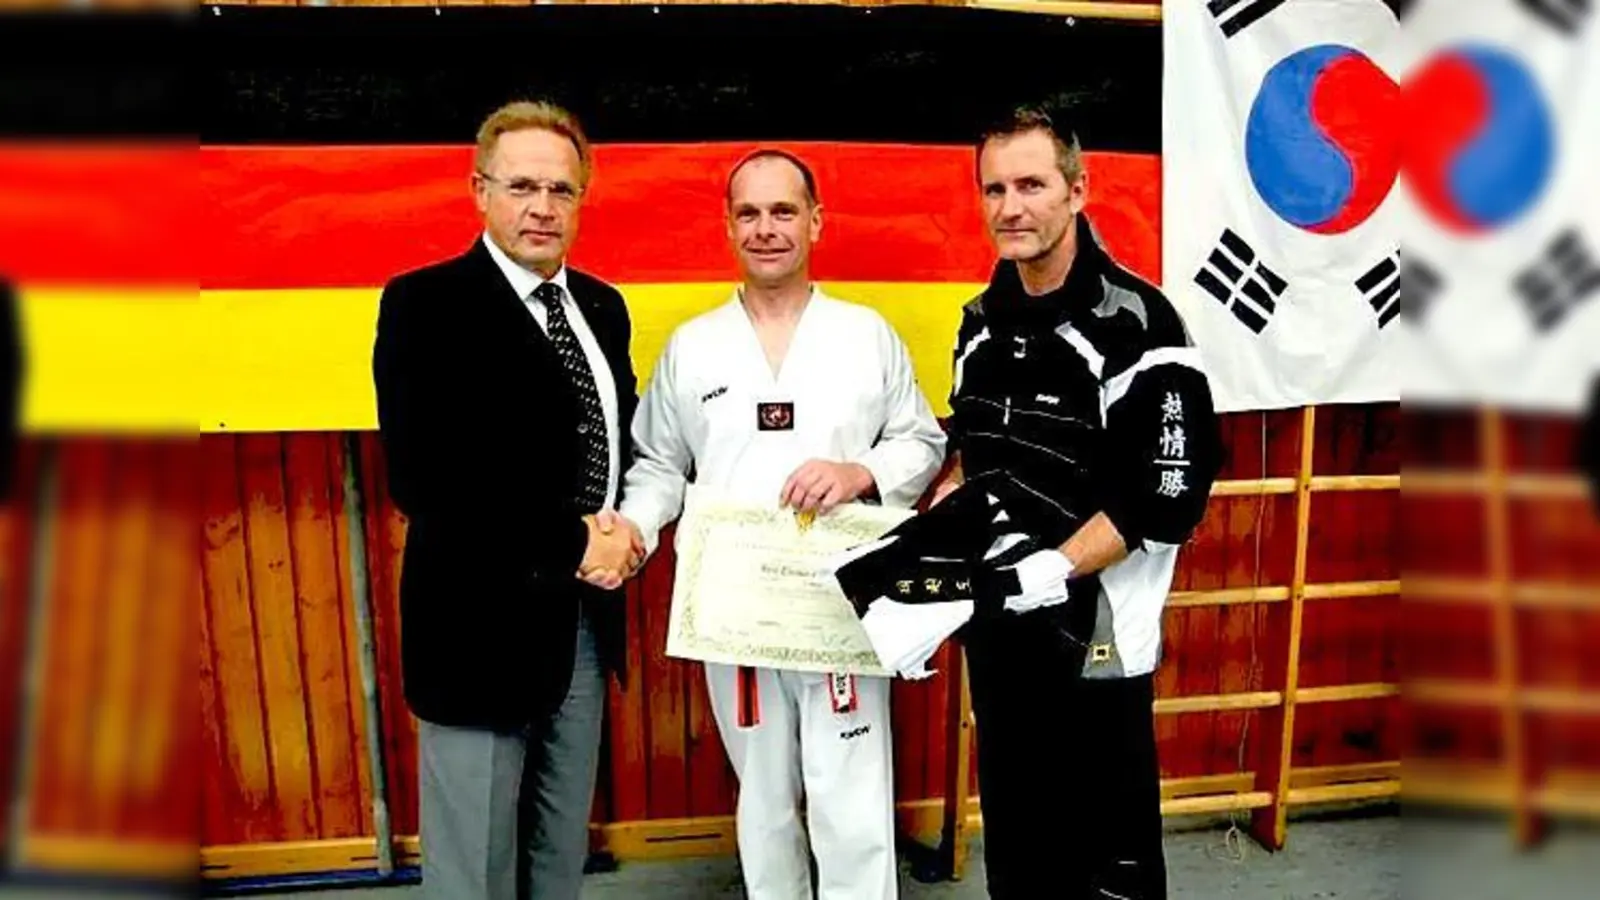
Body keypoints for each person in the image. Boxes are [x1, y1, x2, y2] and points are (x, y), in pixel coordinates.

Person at [596, 149, 947, 900]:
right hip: (738, 609)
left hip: (842, 602)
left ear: (816, 222)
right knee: (763, 800)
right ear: (727, 226)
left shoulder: (865, 335)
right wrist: (633, 529)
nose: (766, 229)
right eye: (748, 214)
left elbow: (921, 440)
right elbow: (659, 463)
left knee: (851, 796)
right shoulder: (695, 348)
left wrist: (861, 474)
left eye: (783, 211)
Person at [931, 107, 1221, 899]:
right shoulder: (977, 325)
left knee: (1110, 867)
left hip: (1097, 641)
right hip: (999, 635)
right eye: (994, 188)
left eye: (1031, 184)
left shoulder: (1141, 324)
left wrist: (1051, 570)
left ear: (1078, 190)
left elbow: (1165, 498)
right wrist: (926, 557)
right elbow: (974, 462)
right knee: (1021, 851)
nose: (1010, 207)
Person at [371, 99, 643, 900]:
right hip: (476, 629)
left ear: (582, 200)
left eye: (561, 191)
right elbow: (425, 478)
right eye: (521, 186)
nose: (541, 208)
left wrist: (625, 531)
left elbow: (611, 446)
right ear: (479, 191)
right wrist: (569, 543)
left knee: (558, 855)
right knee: (474, 871)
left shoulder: (601, 306)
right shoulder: (426, 306)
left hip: (584, 627)